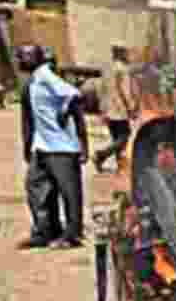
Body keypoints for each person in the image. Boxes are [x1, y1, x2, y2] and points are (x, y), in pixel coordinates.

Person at [17, 45, 89, 250]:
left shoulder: (45, 75)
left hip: (62, 147)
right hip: (41, 146)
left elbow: (75, 95)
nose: (20, 58)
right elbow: (29, 118)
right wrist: (27, 143)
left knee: (69, 192)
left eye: (24, 55)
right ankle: (45, 231)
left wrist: (65, 113)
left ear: (36, 58)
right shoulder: (32, 82)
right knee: (36, 187)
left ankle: (72, 234)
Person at [93, 44, 134, 174]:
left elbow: (101, 90)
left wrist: (102, 108)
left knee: (116, 137)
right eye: (126, 52)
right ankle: (101, 155)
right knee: (125, 135)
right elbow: (124, 90)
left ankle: (119, 166)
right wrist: (130, 107)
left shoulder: (107, 69)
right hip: (119, 108)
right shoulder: (122, 69)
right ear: (121, 53)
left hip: (108, 109)